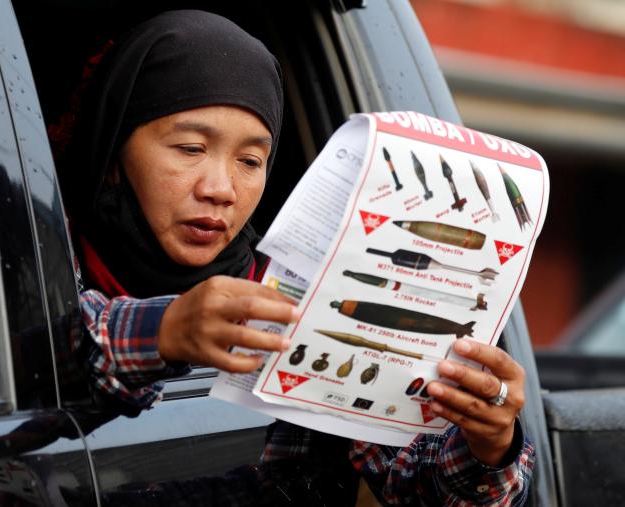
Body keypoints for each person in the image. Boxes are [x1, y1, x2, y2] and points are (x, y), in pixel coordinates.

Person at [51, 9, 536, 506]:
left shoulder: (291, 303)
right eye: (190, 147)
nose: (221, 189)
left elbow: (415, 481)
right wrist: (163, 330)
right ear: (113, 151)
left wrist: (491, 445)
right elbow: (14, 360)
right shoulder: (35, 258)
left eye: (250, 161)